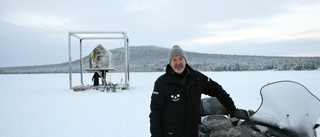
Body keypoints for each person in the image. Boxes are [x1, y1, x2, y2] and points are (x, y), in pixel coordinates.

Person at [149, 45, 237, 137]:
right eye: (174, 60)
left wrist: (232, 109)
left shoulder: (197, 78)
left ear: (185, 61)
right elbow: (155, 113)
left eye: (181, 59)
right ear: (170, 63)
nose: (178, 62)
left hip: (193, 133)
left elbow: (217, 90)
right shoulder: (161, 83)